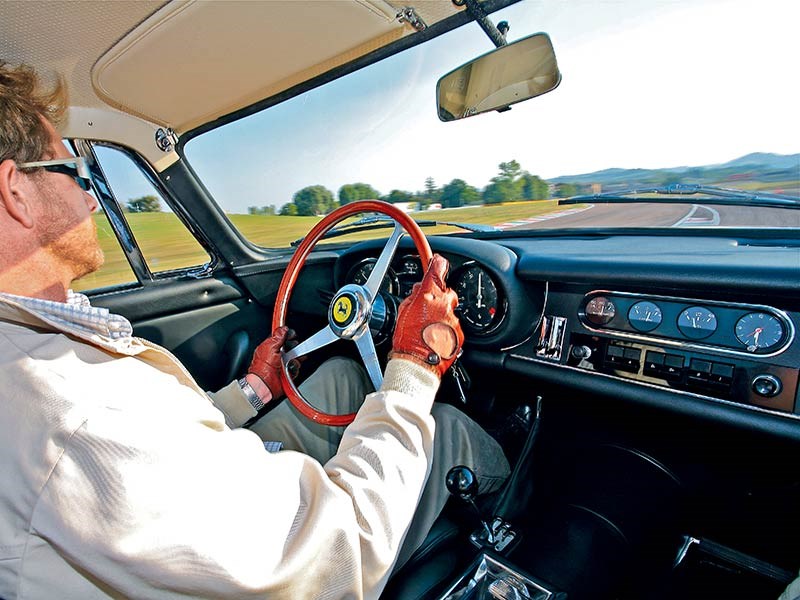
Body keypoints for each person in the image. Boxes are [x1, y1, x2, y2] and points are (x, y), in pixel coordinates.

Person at [0, 61, 509, 599]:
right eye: (76, 174)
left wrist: (252, 391)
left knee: (339, 373)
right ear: (15, 190)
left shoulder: (37, 356)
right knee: (445, 425)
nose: (91, 197)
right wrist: (413, 369)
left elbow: (160, 443)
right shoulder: (77, 413)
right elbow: (333, 557)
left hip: (196, 505)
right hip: (295, 562)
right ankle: (522, 515)